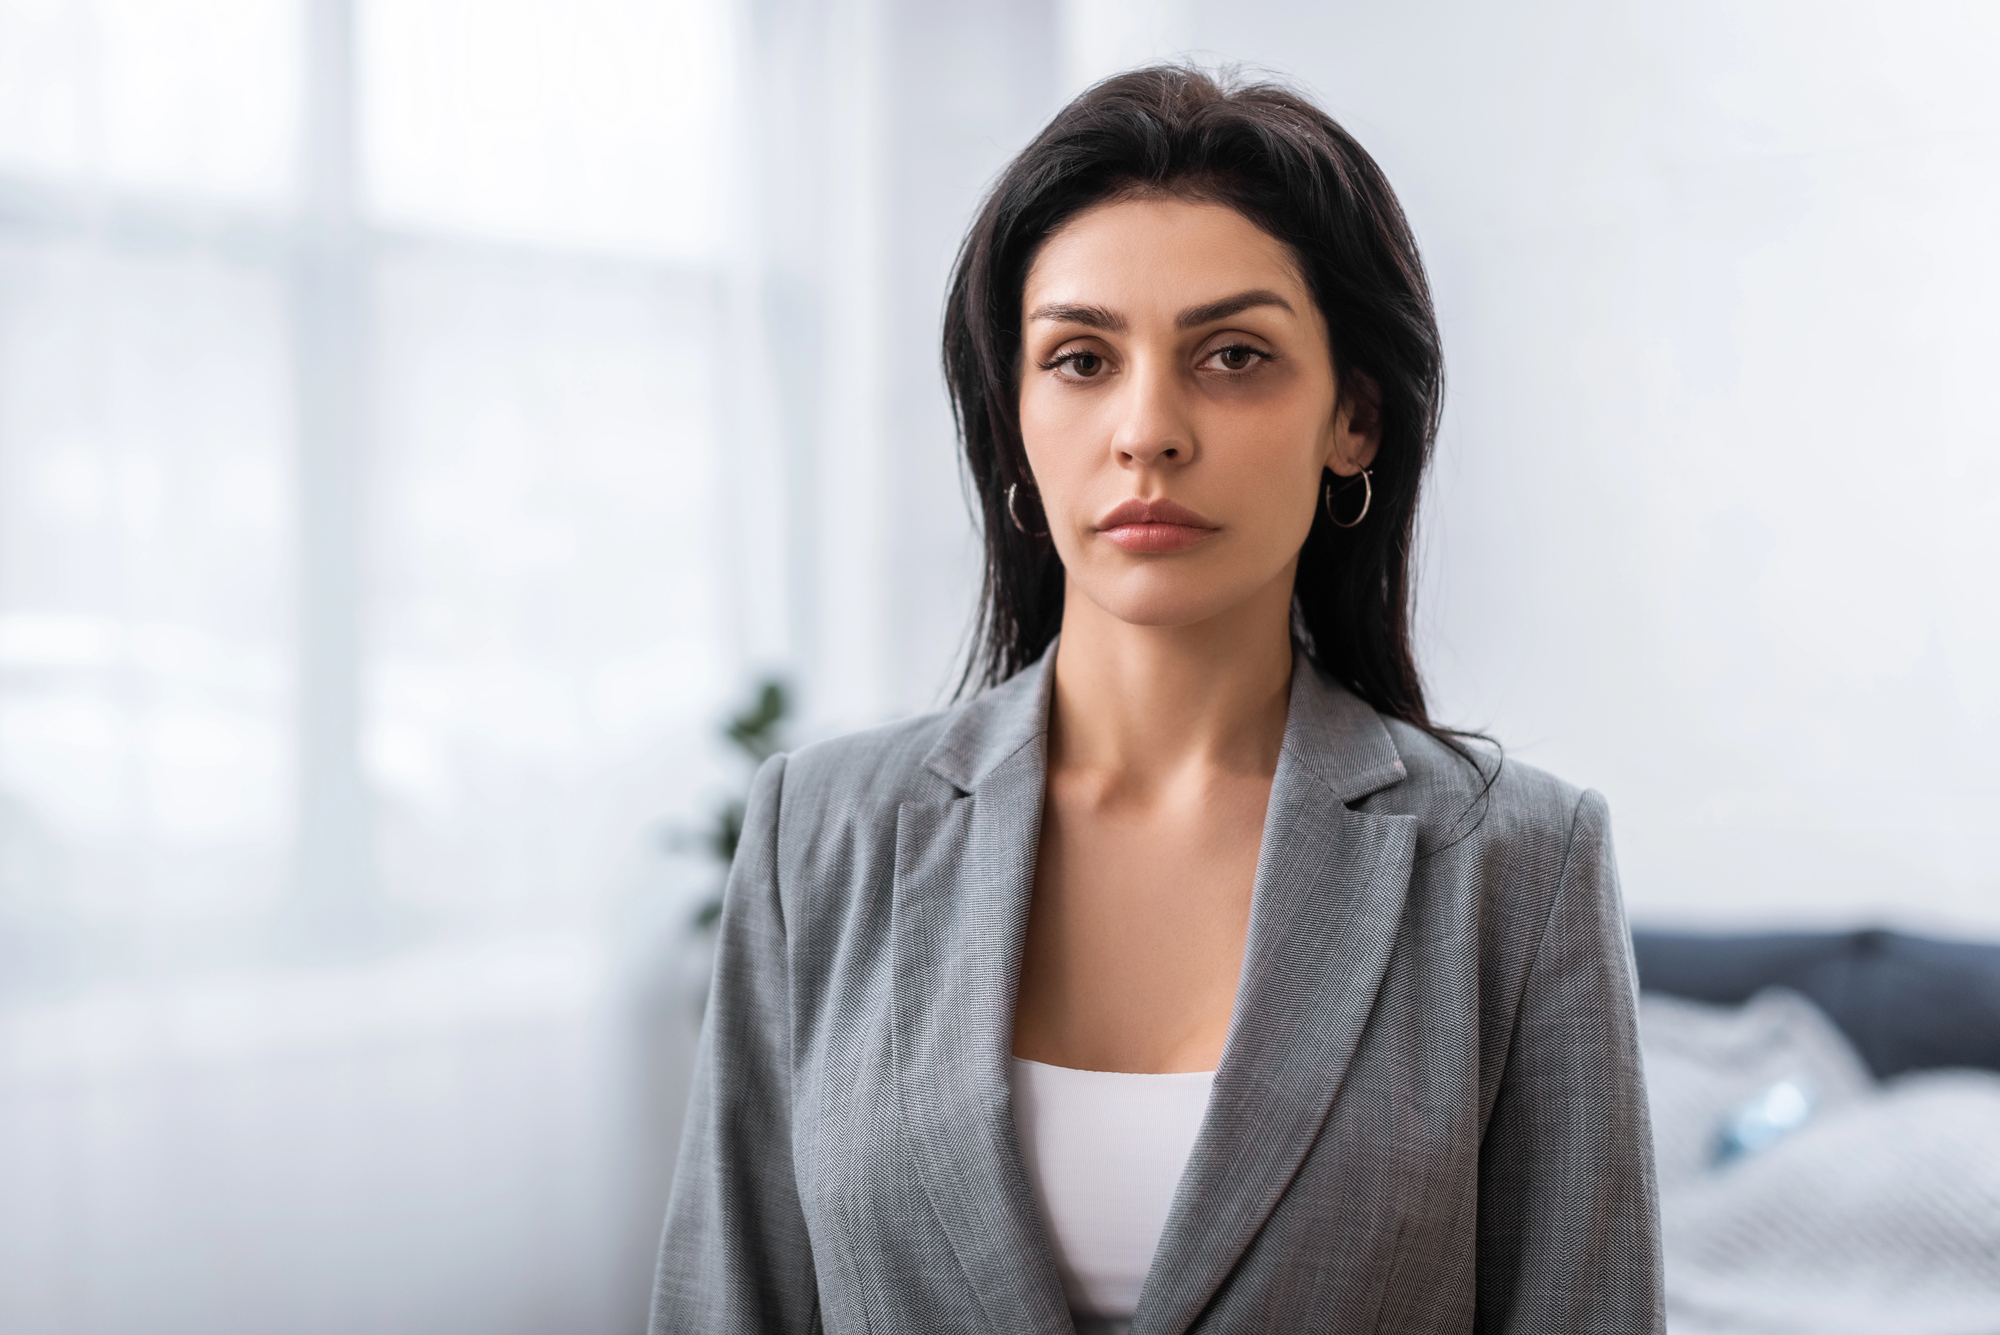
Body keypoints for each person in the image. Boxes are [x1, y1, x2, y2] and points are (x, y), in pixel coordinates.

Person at [651, 66, 1662, 1335]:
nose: (1146, 430)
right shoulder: (819, 834)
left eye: (1232, 356)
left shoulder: (1517, 866)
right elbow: (722, 1304)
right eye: (1079, 359)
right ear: (1014, 417)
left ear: (1352, 416)